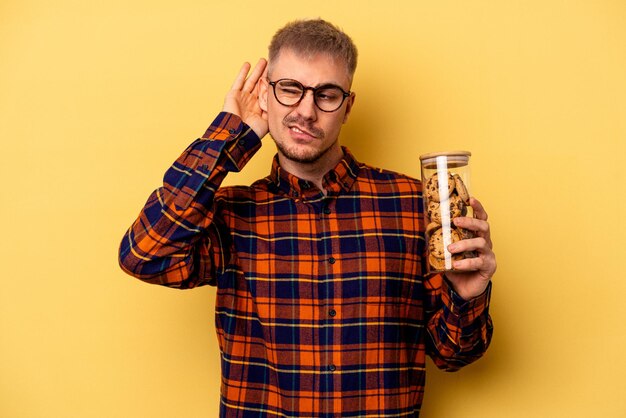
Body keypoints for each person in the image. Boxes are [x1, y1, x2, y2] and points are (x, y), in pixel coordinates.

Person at [119, 18, 496, 417]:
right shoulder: (231, 214)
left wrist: (467, 297)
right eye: (290, 89)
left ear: (348, 106)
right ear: (266, 94)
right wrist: (234, 134)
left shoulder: (413, 204)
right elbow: (144, 255)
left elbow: (453, 356)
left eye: (326, 95)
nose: (306, 111)